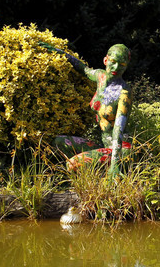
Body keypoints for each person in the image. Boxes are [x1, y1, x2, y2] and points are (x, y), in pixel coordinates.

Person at [41, 42, 133, 178]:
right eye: (113, 62)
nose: (116, 67)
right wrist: (60, 52)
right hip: (104, 145)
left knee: (73, 164)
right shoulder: (100, 77)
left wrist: (115, 164)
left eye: (122, 64)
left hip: (120, 151)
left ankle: (97, 181)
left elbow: (118, 130)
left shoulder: (124, 92)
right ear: (105, 60)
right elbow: (83, 69)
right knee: (57, 142)